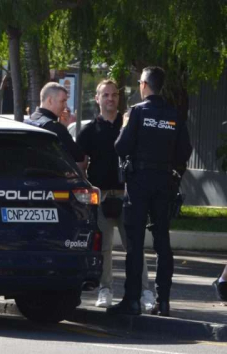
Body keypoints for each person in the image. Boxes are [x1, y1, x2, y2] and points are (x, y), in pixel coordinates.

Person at [108, 66, 192, 317]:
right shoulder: (174, 115)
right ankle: (163, 301)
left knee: (134, 244)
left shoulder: (136, 112)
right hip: (164, 183)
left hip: (139, 183)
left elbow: (121, 148)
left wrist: (124, 125)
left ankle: (132, 300)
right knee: (162, 243)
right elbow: (184, 152)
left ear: (144, 85)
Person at [77, 80, 155, 311]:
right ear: (97, 99)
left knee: (135, 246)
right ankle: (105, 288)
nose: (110, 99)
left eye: (114, 95)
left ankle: (145, 291)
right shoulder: (89, 131)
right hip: (100, 197)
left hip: (127, 195)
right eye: (106, 95)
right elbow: (81, 165)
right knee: (103, 248)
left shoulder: (131, 125)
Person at [26, 82, 85, 169]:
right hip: (48, 178)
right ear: (50, 100)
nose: (65, 106)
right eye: (63, 101)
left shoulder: (27, 121)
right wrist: (63, 128)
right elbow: (78, 156)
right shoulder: (55, 127)